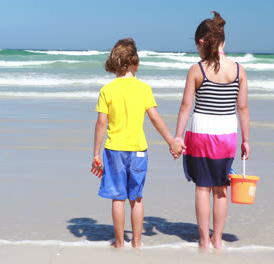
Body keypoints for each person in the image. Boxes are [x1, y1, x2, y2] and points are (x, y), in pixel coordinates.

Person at [91, 38, 184, 248]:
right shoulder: (143, 89)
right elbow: (154, 117)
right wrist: (171, 140)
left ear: (115, 64)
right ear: (136, 63)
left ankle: (119, 243)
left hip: (114, 150)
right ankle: (137, 243)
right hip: (138, 151)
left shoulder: (107, 90)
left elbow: (100, 123)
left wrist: (96, 153)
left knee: (118, 198)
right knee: (137, 198)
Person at [174, 11, 250, 249]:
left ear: (201, 43)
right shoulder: (238, 70)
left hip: (200, 134)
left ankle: (204, 240)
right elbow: (243, 108)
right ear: (223, 42)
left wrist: (177, 136)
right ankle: (218, 238)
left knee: (202, 188)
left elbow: (186, 105)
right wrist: (246, 140)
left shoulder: (197, 70)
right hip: (227, 134)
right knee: (221, 188)